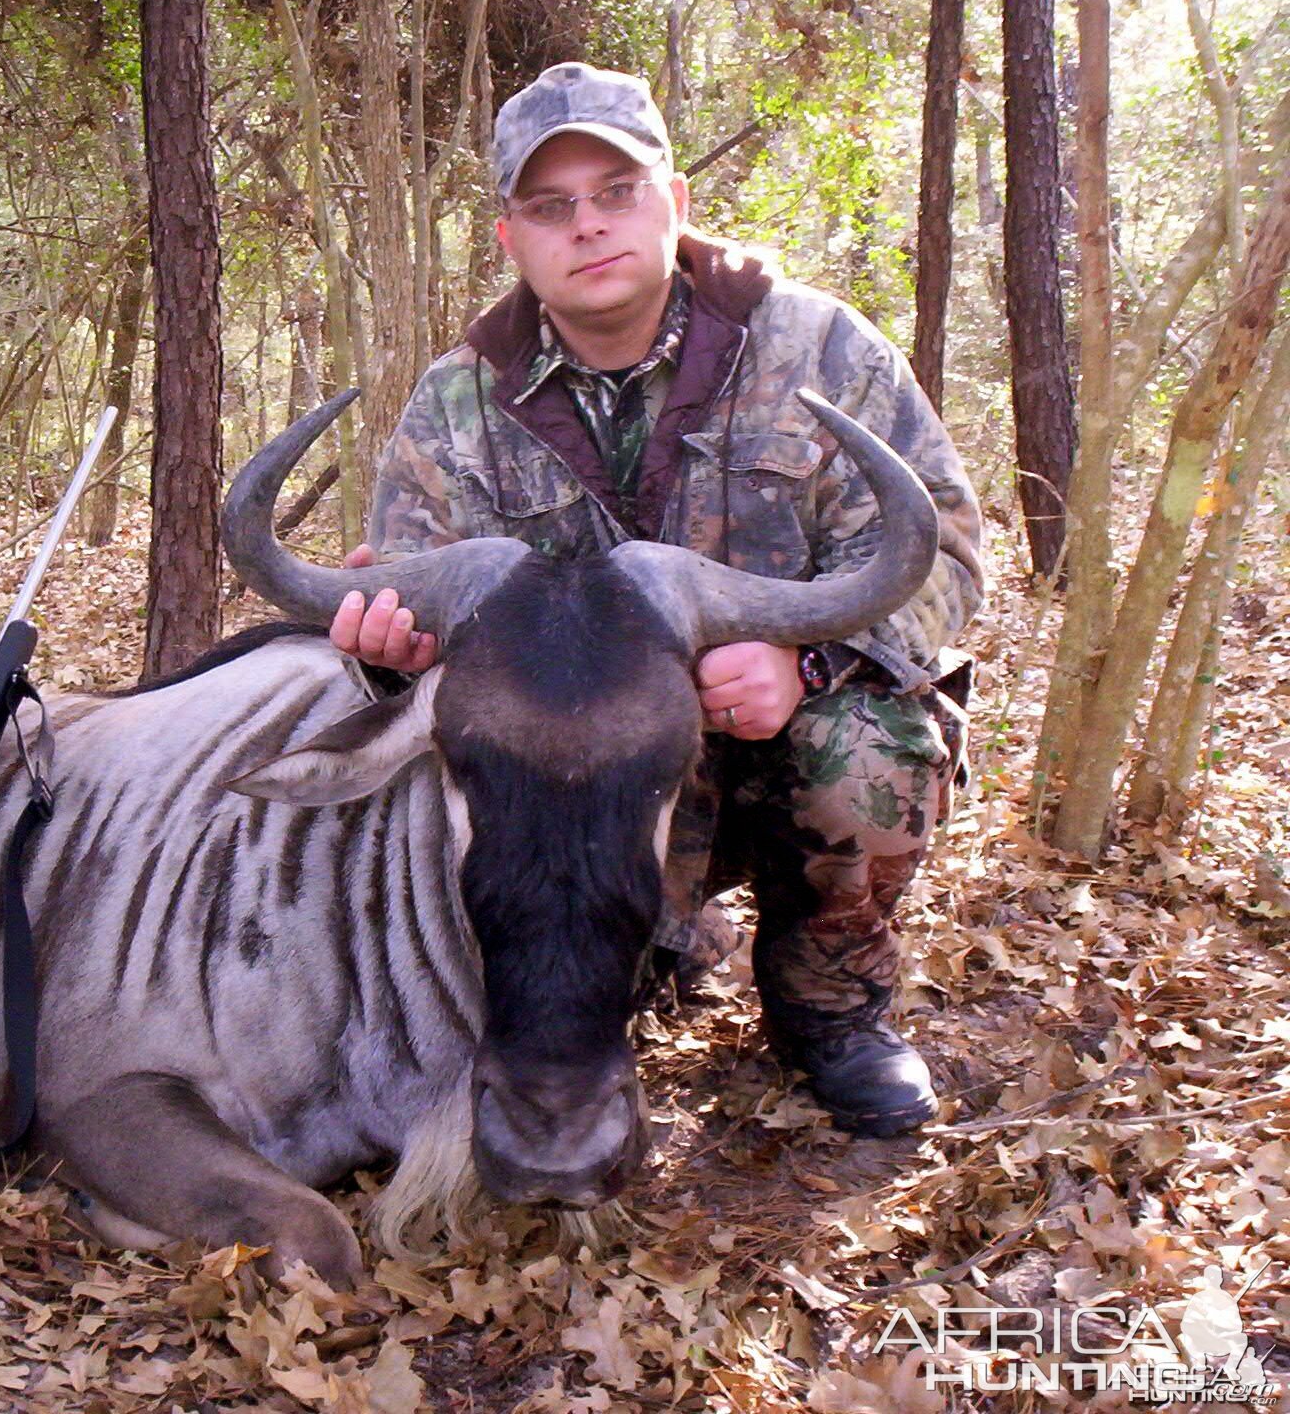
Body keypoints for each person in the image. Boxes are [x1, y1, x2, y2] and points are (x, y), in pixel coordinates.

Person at [330, 63, 983, 1137]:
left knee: (863, 757)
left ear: (673, 201)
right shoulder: (457, 400)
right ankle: (615, 969)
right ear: (511, 239)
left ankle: (830, 1006)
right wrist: (387, 648)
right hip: (580, 778)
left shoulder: (820, 347)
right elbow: (414, 607)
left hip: (775, 737)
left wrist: (806, 662)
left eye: (616, 190)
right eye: (550, 206)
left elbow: (943, 552)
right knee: (435, 783)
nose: (587, 225)